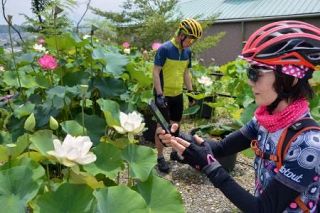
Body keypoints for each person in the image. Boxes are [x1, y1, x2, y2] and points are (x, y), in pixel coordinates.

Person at [157, 20, 320, 212]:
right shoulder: (264, 121)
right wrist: (180, 138)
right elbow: (222, 147)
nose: (250, 82)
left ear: (290, 79)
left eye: (255, 73)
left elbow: (263, 209)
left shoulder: (309, 144)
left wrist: (209, 166)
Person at [153, 18, 202, 173]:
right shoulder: (165, 49)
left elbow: (186, 73)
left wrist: (191, 92)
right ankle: (160, 157)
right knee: (161, 128)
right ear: (181, 35)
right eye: (190, 39)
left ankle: (174, 152)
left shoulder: (187, 52)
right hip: (163, 94)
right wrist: (159, 94)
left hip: (177, 94)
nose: (191, 42)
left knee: (176, 124)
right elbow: (156, 72)